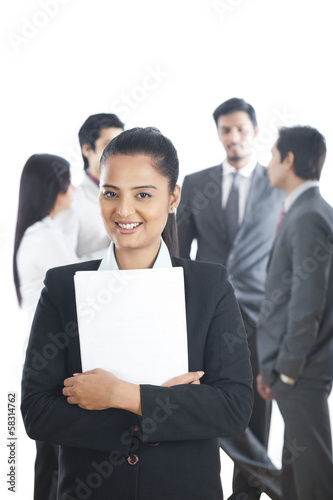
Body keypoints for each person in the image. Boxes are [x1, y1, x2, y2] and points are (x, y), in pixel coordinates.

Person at [21, 127, 253, 500]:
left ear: (173, 197)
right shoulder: (63, 288)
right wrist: (169, 404)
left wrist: (121, 394)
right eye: (110, 193)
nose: (123, 210)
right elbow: (37, 412)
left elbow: (233, 407)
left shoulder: (210, 287)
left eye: (143, 194)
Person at [177, 98, 284, 499]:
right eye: (225, 130)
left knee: (256, 411)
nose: (233, 137)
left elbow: (287, 255)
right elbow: (178, 253)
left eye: (240, 129)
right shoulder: (196, 183)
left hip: (263, 317)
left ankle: (249, 494)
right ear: (218, 133)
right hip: (207, 314)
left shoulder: (275, 184)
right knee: (201, 404)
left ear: (255, 131)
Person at [257, 126, 333, 500]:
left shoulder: (309, 216)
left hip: (301, 372)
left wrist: (286, 370)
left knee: (314, 476)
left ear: (289, 160)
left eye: (272, 155)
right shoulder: (307, 210)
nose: (268, 164)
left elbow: (308, 304)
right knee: (295, 472)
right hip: (296, 370)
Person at [13, 154, 79, 500]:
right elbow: (80, 289)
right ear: (54, 187)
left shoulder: (40, 233)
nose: (74, 189)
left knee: (50, 461)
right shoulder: (45, 236)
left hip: (44, 358)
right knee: (55, 463)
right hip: (51, 362)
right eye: (68, 182)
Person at [56, 113, 125, 258]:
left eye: (121, 144)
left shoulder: (137, 195)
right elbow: (61, 266)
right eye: (108, 145)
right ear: (87, 149)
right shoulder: (72, 203)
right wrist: (117, 253)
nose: (118, 152)